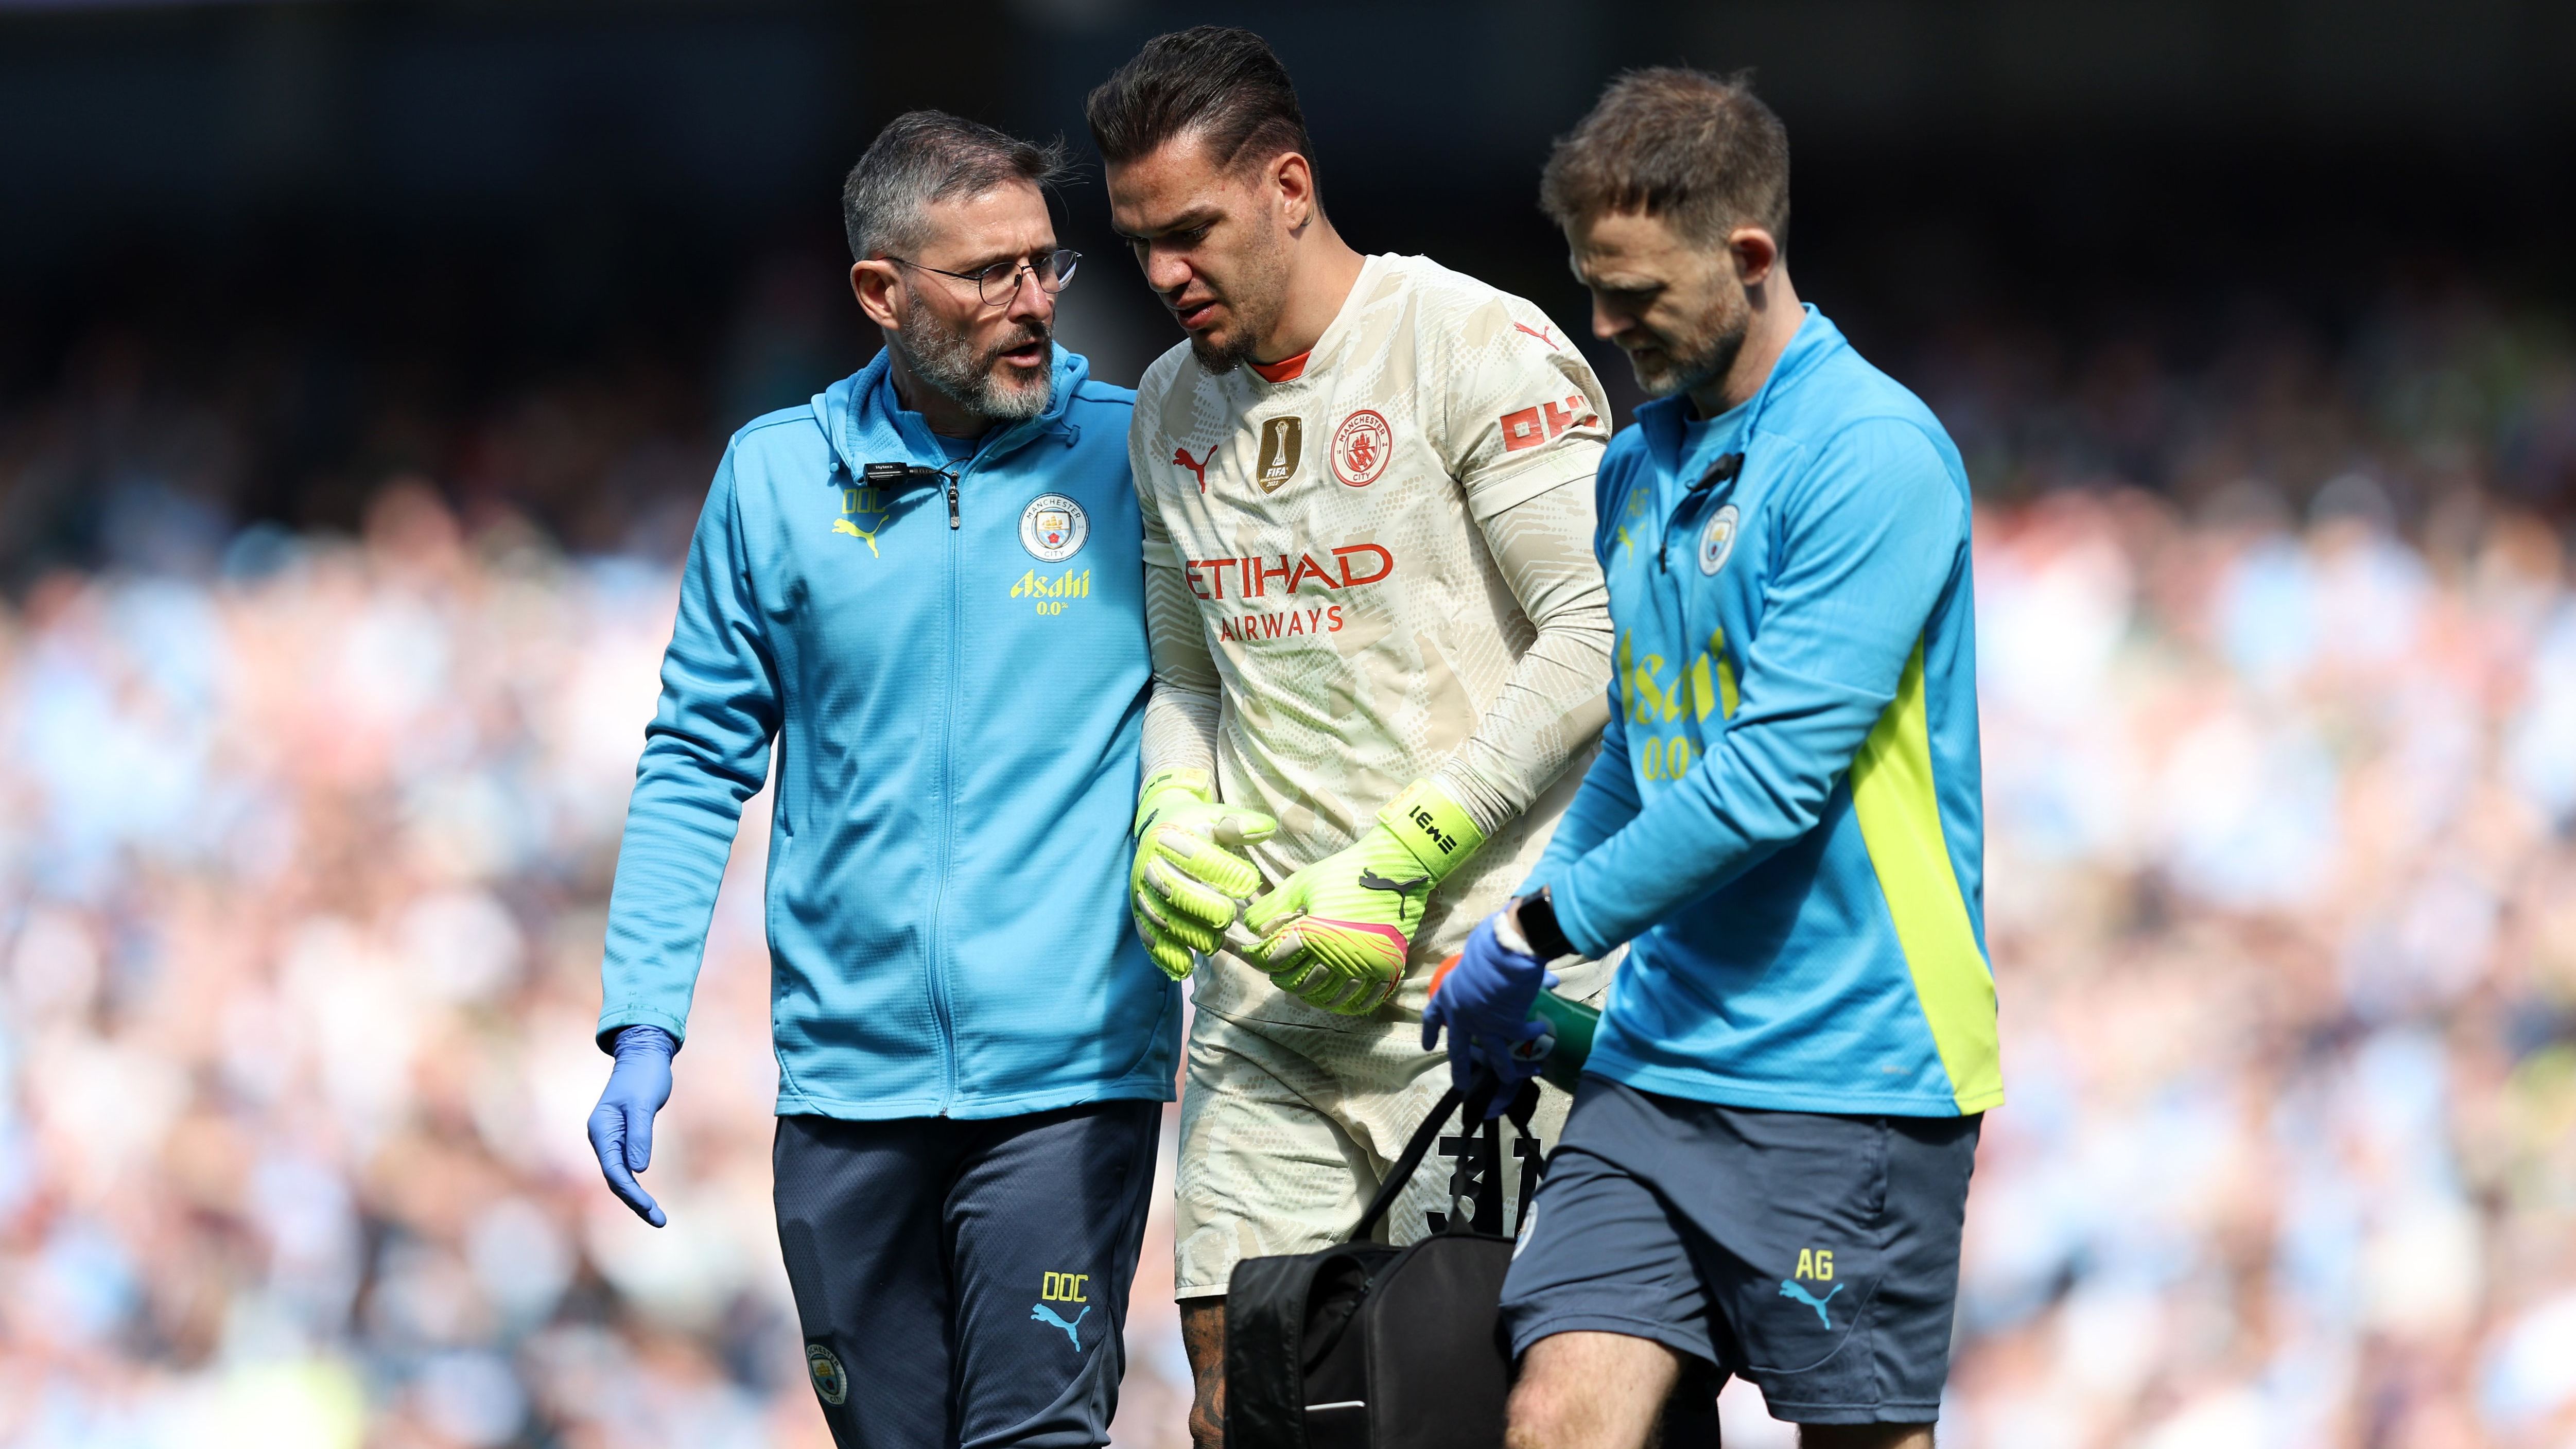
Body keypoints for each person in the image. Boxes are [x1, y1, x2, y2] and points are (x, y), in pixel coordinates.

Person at [1430, 71, 2002, 1449]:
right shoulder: (1635, 469)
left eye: (1632, 290)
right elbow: (1644, 746)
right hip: (1657, 1064)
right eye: (1587, 285)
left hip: (1849, 1061)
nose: (1603, 324)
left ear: (1747, 258)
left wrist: (1535, 923)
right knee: (1555, 1415)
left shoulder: (1871, 454)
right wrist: (1542, 969)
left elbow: (1771, 777)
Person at [584, 112, 1168, 1449]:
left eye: (1044, 265)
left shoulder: (1137, 453)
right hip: (845, 1087)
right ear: (879, 292)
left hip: (1068, 1078)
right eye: (986, 274)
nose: (1032, 305)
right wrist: (642, 1023)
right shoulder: (775, 479)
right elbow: (693, 759)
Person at [1087, 26, 1620, 1447]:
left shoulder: (1467, 344)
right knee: (1237, 1408)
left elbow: (1595, 632)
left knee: (1495, 1416)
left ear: (1287, 185)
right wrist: (1168, 816)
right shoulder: (1162, 410)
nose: (1161, 274)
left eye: (1189, 231)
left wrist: (1404, 856)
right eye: (1136, 244)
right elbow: (1187, 678)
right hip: (1271, 1012)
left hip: (1486, 995)